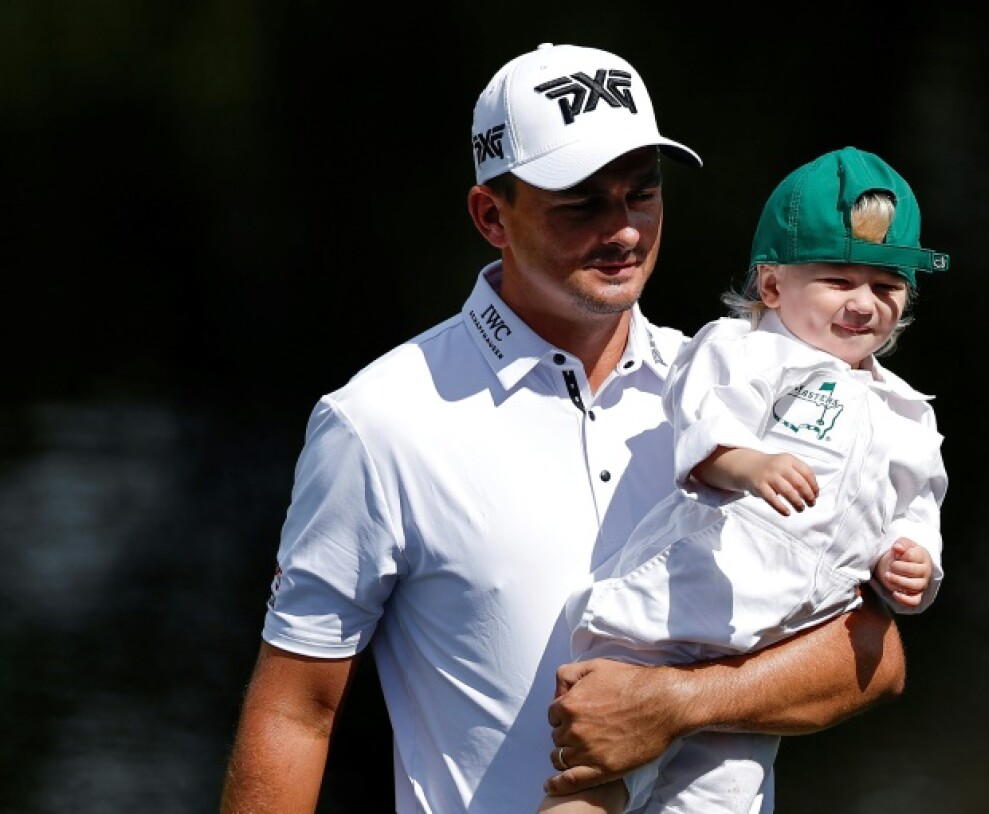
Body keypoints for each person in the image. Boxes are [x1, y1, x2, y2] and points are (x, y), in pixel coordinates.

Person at [220, 45, 907, 814]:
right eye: (580, 203)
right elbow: (295, 711)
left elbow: (873, 656)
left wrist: (679, 703)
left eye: (641, 196)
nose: (621, 231)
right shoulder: (379, 422)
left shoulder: (745, 391)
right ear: (491, 215)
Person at [539, 146, 950, 814]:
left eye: (887, 285)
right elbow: (701, 426)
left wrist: (913, 563)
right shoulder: (745, 349)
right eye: (839, 280)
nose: (865, 303)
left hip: (766, 657)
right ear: (772, 286)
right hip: (671, 622)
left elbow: (916, 509)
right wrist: (746, 464)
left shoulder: (907, 411)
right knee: (597, 788)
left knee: (721, 799)